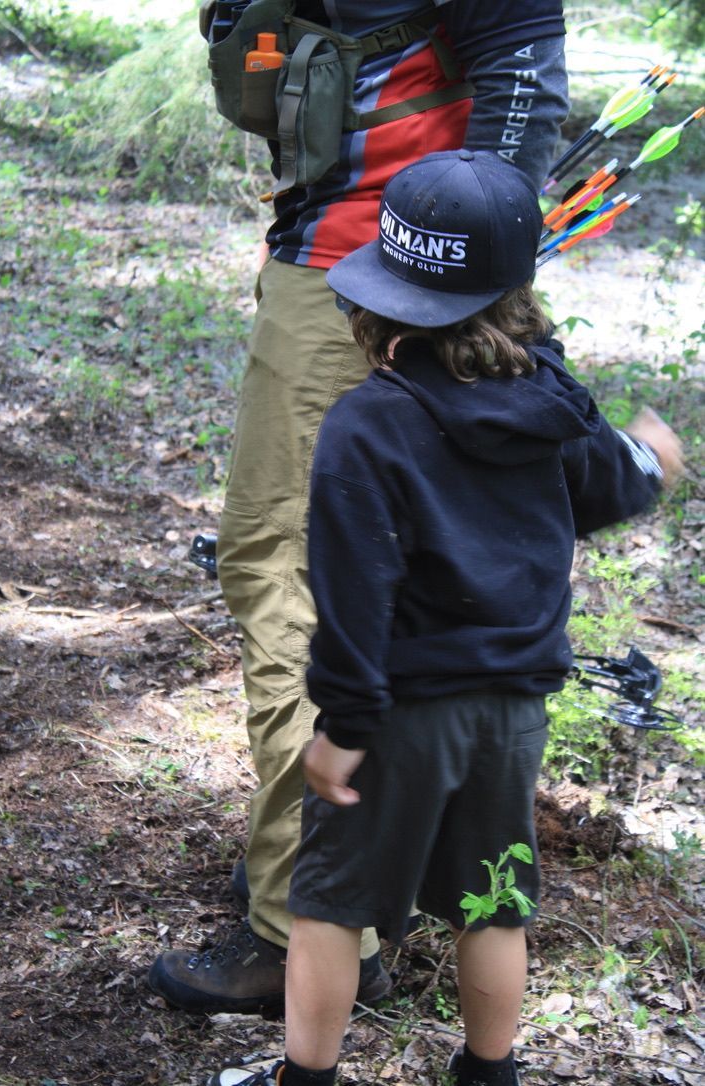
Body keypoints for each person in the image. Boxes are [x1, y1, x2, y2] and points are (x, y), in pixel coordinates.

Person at [202, 148, 684, 1086]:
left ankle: (306, 1077)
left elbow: (354, 595)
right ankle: (490, 1073)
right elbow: (602, 487)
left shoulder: (366, 425)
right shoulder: (551, 401)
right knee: (493, 901)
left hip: (400, 716)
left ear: (381, 299)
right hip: (512, 714)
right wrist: (648, 459)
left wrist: (343, 727)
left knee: (330, 904)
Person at [149, 0, 570, 1015]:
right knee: (351, 569)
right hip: (363, 256)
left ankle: (304, 916)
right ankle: (349, 879)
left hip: (382, 272)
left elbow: (519, 60)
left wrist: (456, 283)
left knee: (285, 571)